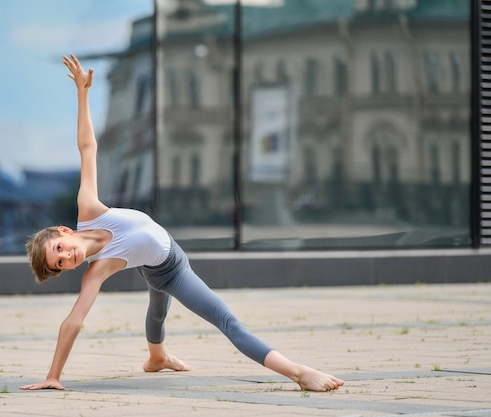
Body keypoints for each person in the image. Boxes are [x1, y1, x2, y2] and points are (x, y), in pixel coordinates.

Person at [20, 53, 345, 392]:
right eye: (59, 264)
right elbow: (73, 321)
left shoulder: (88, 208)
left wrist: (82, 94)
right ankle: (298, 372)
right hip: (170, 268)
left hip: (156, 259)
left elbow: (87, 147)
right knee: (224, 319)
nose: (65, 258)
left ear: (64, 231)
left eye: (59, 249)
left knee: (157, 311)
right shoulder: (96, 271)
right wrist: (53, 376)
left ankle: (156, 358)